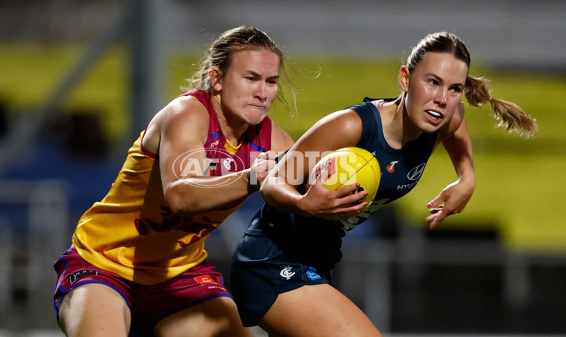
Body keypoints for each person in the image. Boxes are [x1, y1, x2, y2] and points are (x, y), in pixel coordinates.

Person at [230, 31, 537, 336]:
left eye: (454, 88)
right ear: (405, 79)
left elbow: (457, 126)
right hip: (272, 258)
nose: (442, 99)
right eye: (432, 82)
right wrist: (304, 203)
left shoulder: (445, 117)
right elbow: (273, 181)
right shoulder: (351, 126)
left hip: (319, 261)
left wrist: (466, 178)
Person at [52, 25, 294, 337]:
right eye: (251, 78)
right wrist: (251, 177)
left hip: (179, 276)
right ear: (217, 79)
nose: (263, 93)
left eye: (271, 81)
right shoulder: (187, 114)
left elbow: (309, 186)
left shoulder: (274, 141)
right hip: (103, 266)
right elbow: (181, 196)